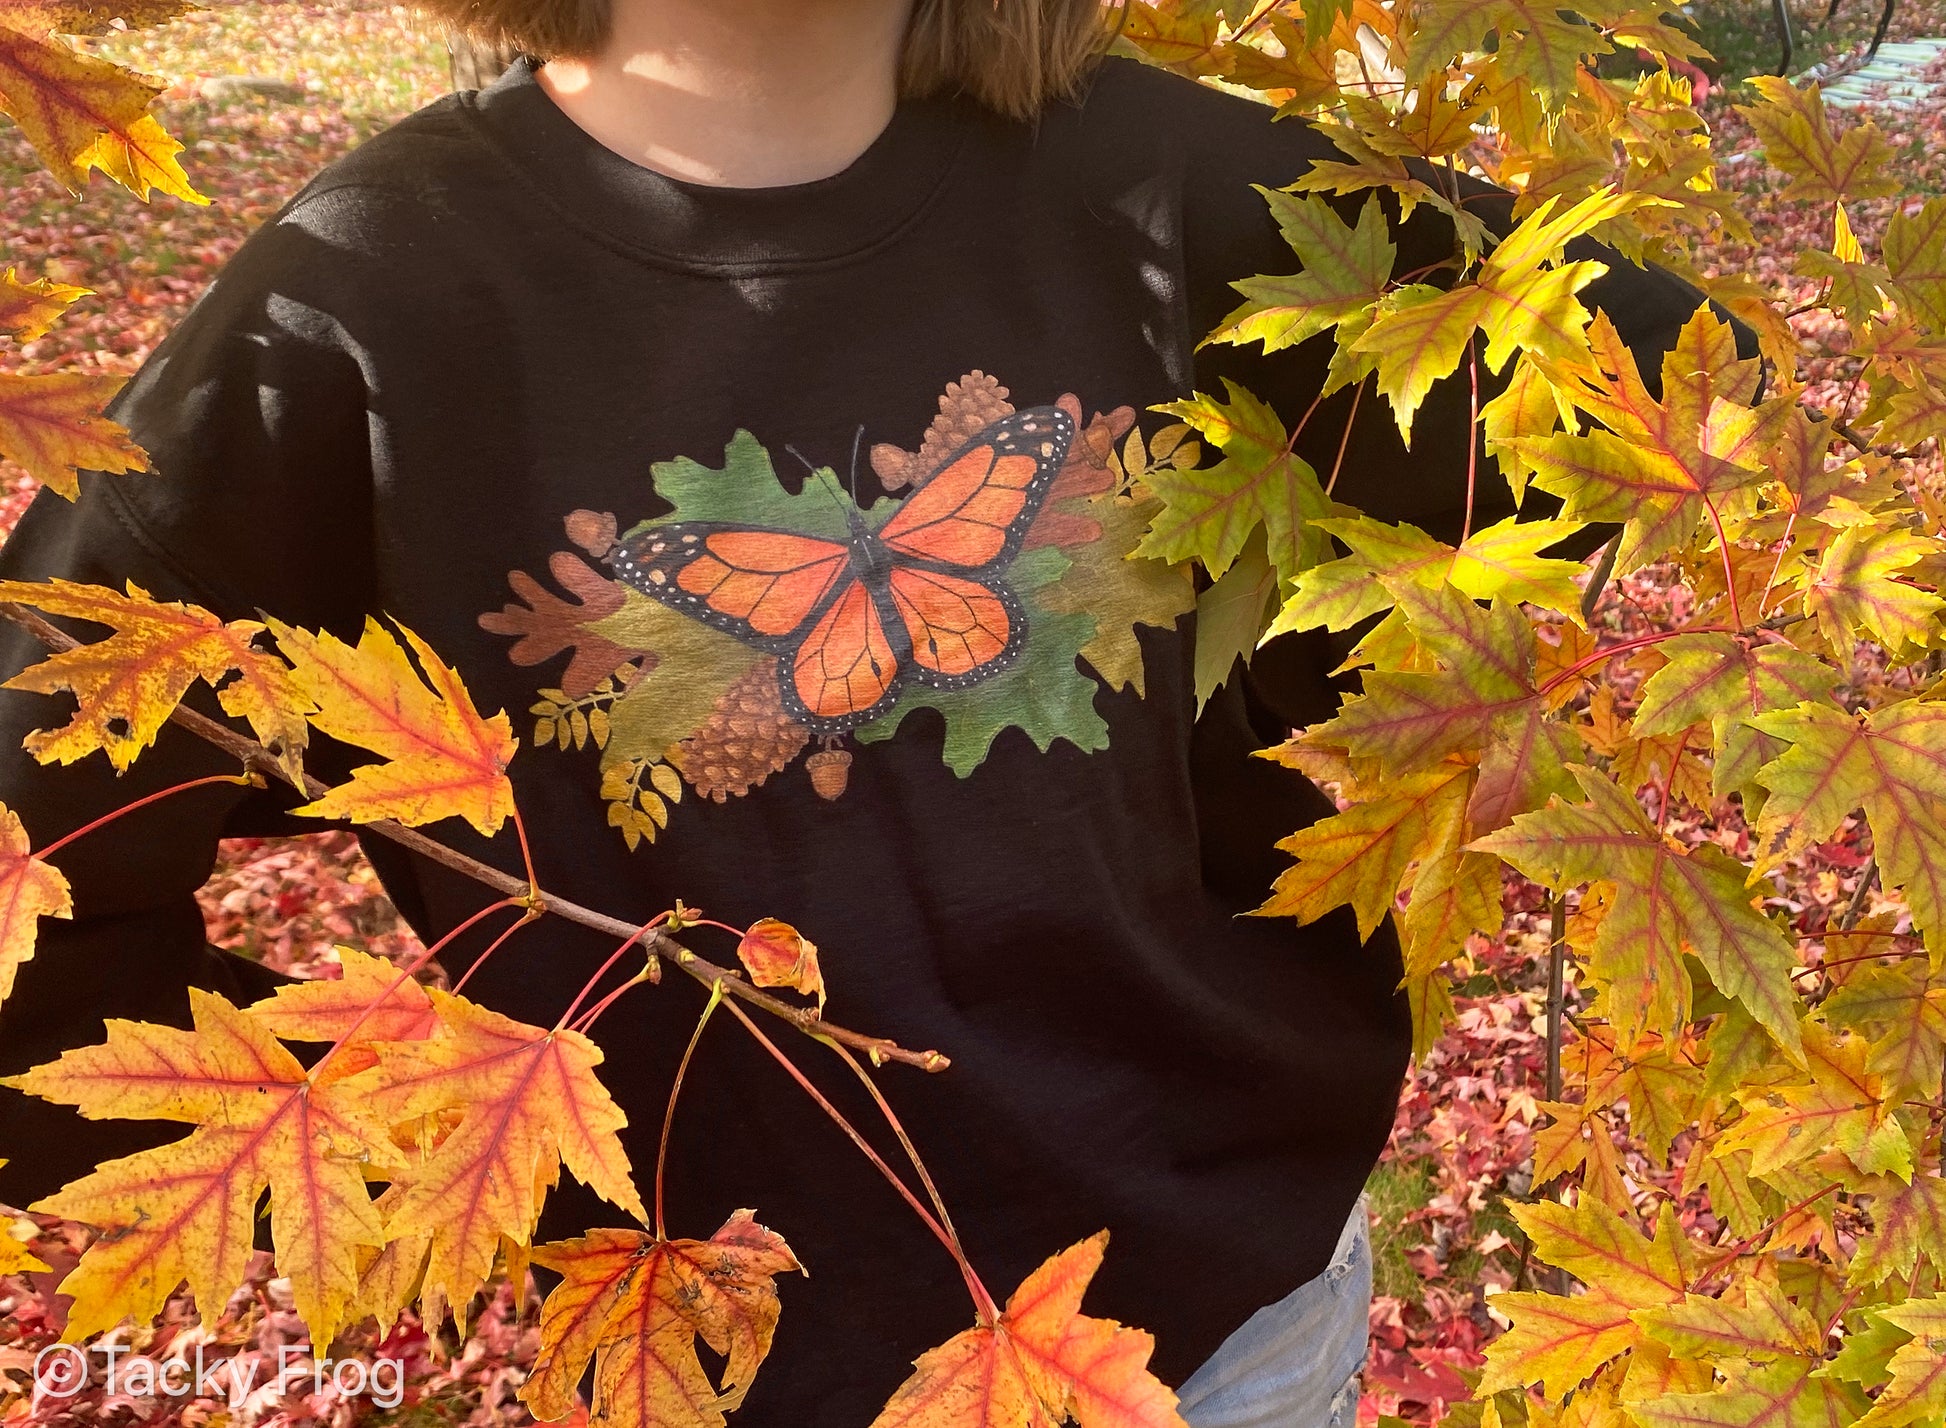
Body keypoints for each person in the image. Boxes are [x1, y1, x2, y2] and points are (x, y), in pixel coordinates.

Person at [0, 1, 1721, 1422]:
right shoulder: (365, 296)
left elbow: (1679, 400)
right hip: (718, 1355)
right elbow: (32, 857)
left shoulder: (1184, 186)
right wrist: (427, 1158)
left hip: (1222, 1327)